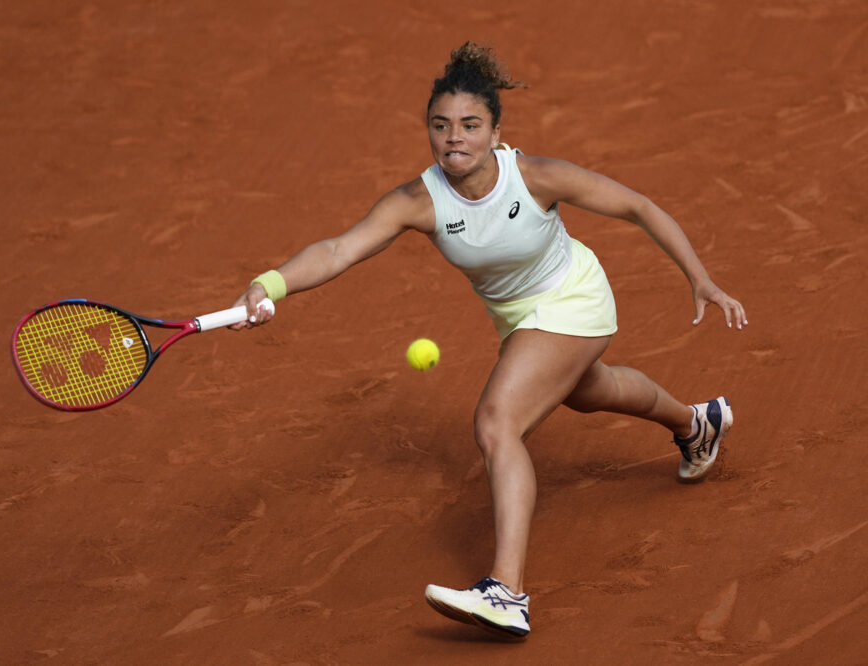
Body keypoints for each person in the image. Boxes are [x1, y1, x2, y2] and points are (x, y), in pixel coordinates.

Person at [230, 42, 747, 639]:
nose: (455, 139)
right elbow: (338, 249)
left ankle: (507, 591)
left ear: (496, 130)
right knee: (589, 390)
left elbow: (636, 205)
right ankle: (696, 424)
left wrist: (700, 278)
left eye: (471, 126)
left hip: (573, 296)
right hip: (519, 318)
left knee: (497, 423)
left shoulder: (535, 177)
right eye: (441, 125)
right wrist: (271, 284)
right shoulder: (417, 202)